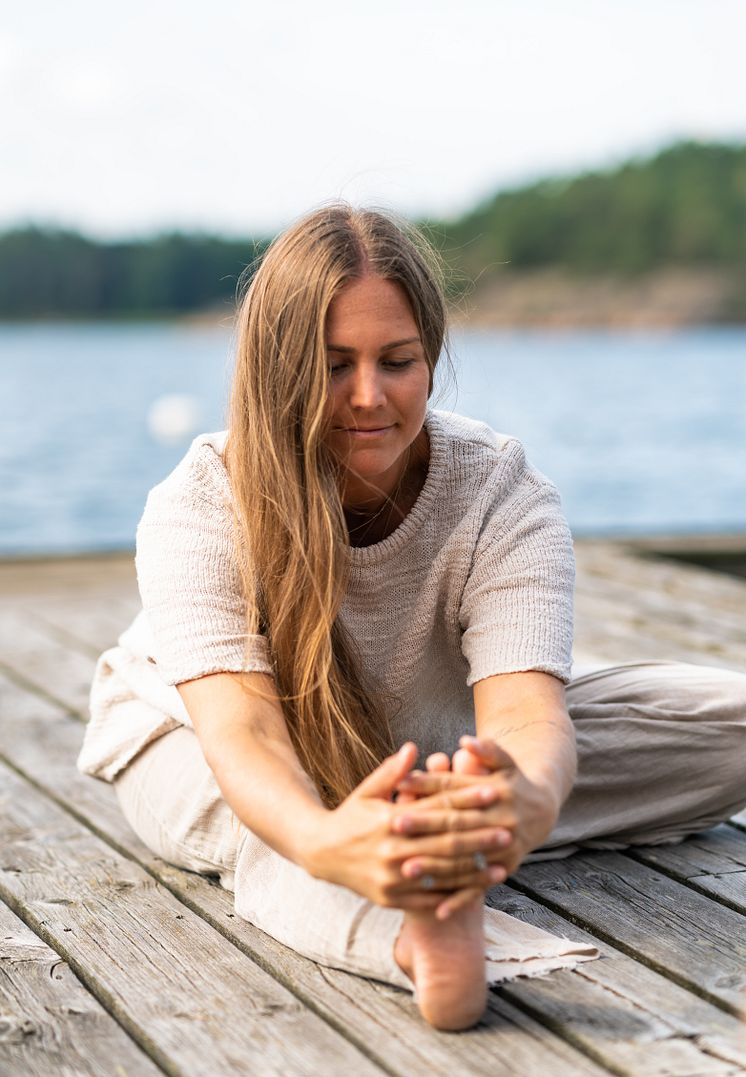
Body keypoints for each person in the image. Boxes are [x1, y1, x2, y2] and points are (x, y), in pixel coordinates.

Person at [77, 203, 746, 1032]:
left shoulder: (499, 487)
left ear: (430, 357)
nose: (369, 396)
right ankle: (422, 938)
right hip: (201, 739)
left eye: (396, 361)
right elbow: (243, 729)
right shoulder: (201, 502)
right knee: (284, 828)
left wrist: (526, 799)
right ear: (280, 367)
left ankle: (437, 832)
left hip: (433, 740)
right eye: (333, 365)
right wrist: (326, 842)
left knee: (730, 721)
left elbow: (527, 714)